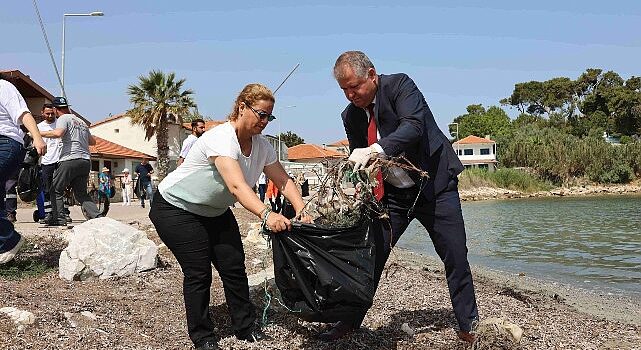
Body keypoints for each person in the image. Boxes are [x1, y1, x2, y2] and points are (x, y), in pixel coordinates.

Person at [325, 51, 479, 343]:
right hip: (394, 196)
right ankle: (348, 321)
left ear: (371, 75)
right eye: (343, 90)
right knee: (370, 255)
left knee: (455, 255)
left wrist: (376, 149)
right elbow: (363, 161)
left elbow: (413, 127)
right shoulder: (351, 115)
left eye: (354, 87)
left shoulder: (399, 86)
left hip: (435, 188)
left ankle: (468, 325)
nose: (350, 95)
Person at [149, 83, 312, 349]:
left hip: (214, 211)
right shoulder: (220, 138)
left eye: (269, 116)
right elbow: (237, 186)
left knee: (234, 267)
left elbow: (283, 181)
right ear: (241, 108)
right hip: (176, 208)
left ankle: (245, 328)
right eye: (260, 114)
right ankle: (202, 336)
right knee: (199, 272)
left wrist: (302, 208)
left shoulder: (262, 146)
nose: (265, 121)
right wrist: (266, 214)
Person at [0, 78, 46, 264]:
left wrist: (37, 137)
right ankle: (4, 243)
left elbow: (23, 113)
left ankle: (9, 239)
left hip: (6, 142)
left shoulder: (3, 86)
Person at [38, 97, 101, 226]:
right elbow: (92, 142)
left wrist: (37, 134)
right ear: (67, 107)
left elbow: (58, 133)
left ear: (55, 109)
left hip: (69, 160)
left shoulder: (63, 119)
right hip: (85, 161)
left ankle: (59, 219)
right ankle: (98, 216)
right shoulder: (81, 121)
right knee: (81, 193)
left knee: (55, 189)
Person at [37, 103, 62, 223]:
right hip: (46, 162)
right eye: (47, 113)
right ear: (42, 113)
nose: (50, 115)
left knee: (61, 188)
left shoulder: (60, 124)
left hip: (60, 160)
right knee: (47, 189)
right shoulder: (38, 127)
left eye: (52, 113)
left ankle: (64, 213)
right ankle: (48, 214)